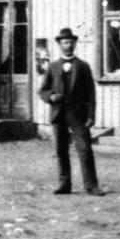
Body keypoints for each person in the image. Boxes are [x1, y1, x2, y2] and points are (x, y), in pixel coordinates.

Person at [38, 28, 103, 196]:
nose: (68, 45)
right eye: (65, 42)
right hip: (58, 113)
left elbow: (91, 93)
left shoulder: (83, 66)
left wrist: (91, 115)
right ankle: (64, 185)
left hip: (78, 114)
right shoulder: (53, 67)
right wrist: (51, 96)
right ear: (60, 45)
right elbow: (42, 90)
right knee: (61, 151)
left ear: (75, 44)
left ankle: (91, 186)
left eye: (71, 42)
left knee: (85, 150)